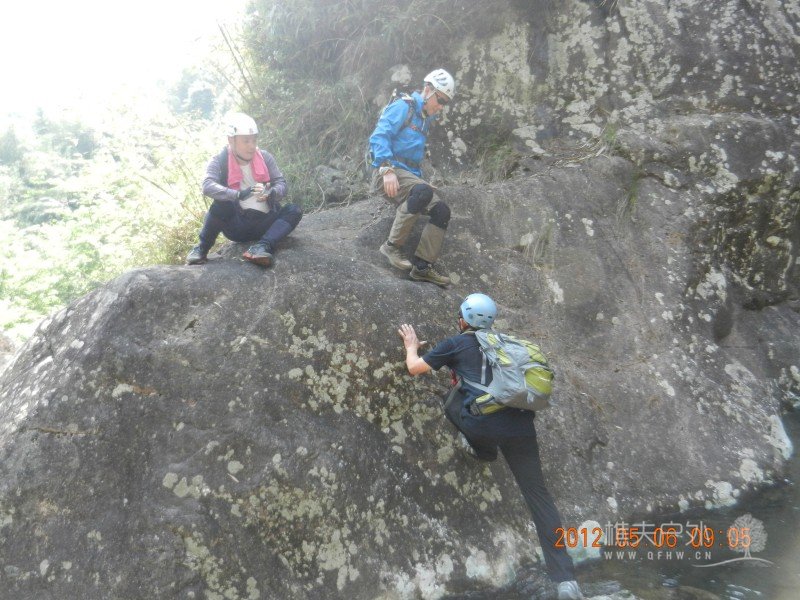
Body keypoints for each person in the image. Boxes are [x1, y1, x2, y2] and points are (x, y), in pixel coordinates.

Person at [397, 293, 583, 600]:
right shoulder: (506, 345)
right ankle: (566, 581)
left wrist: (410, 346)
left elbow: (415, 368)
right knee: (539, 498)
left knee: (453, 400)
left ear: (462, 320)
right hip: (521, 427)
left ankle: (483, 451)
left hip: (483, 425)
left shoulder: (456, 344)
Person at [368, 69, 455, 287]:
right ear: (428, 89)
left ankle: (422, 267)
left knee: (442, 210)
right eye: (440, 100)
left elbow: (412, 162)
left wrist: (421, 183)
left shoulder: (425, 119)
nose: (441, 106)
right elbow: (379, 135)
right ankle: (391, 247)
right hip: (387, 172)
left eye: (445, 103)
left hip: (408, 177)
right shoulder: (403, 106)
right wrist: (386, 169)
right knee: (422, 192)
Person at [186, 113, 303, 267]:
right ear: (231, 140)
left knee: (294, 210)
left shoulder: (265, 157)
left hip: (266, 222)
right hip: (237, 226)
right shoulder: (220, 161)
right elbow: (207, 186)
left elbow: (281, 183)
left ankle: (262, 246)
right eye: (246, 141)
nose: (251, 146)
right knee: (220, 205)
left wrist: (272, 193)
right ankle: (201, 249)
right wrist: (238, 194)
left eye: (254, 140)